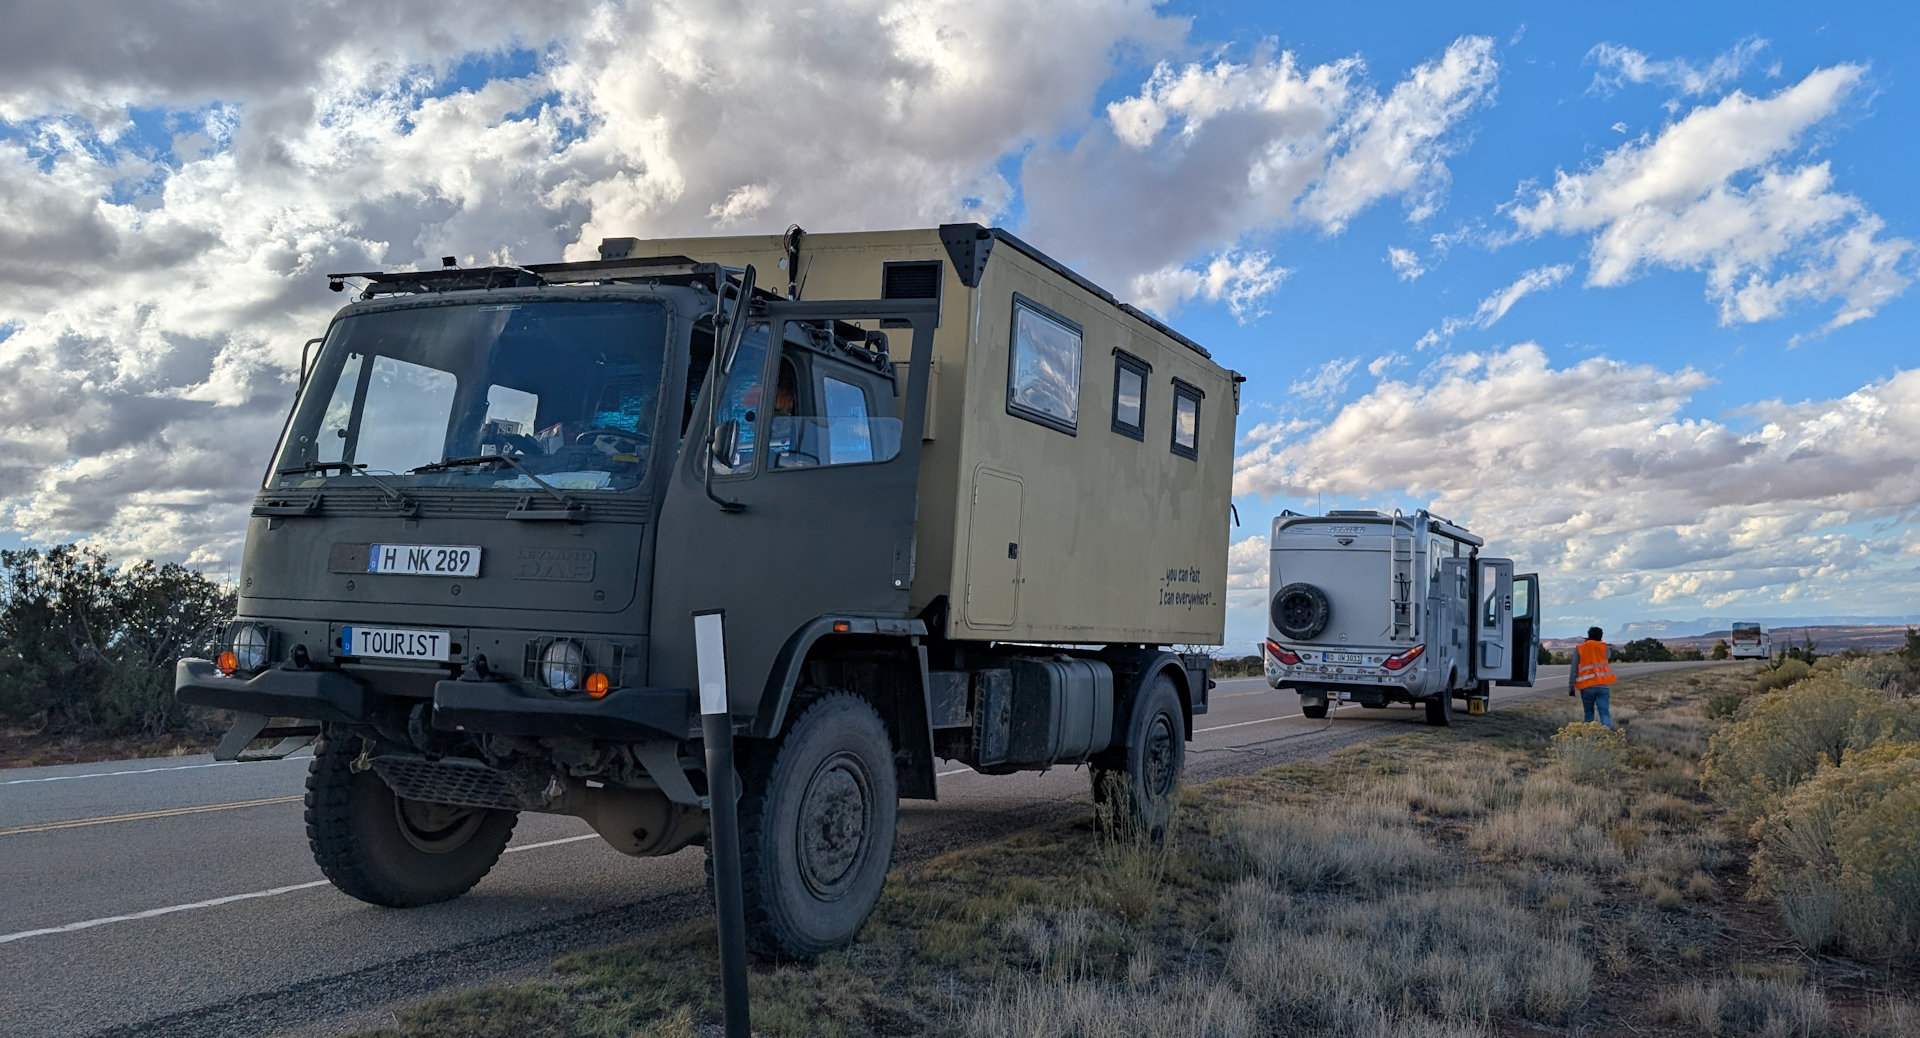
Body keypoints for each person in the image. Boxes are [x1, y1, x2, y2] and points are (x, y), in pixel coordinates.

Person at [1568, 626, 1616, 728]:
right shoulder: (1605, 648)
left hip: (1586, 686)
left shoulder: (1580, 648)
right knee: (1604, 713)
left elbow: (1574, 669)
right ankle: (1606, 736)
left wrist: (1571, 687)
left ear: (1589, 635)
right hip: (1602, 685)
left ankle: (1589, 736)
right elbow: (1606, 656)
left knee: (1589, 713)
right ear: (1601, 636)